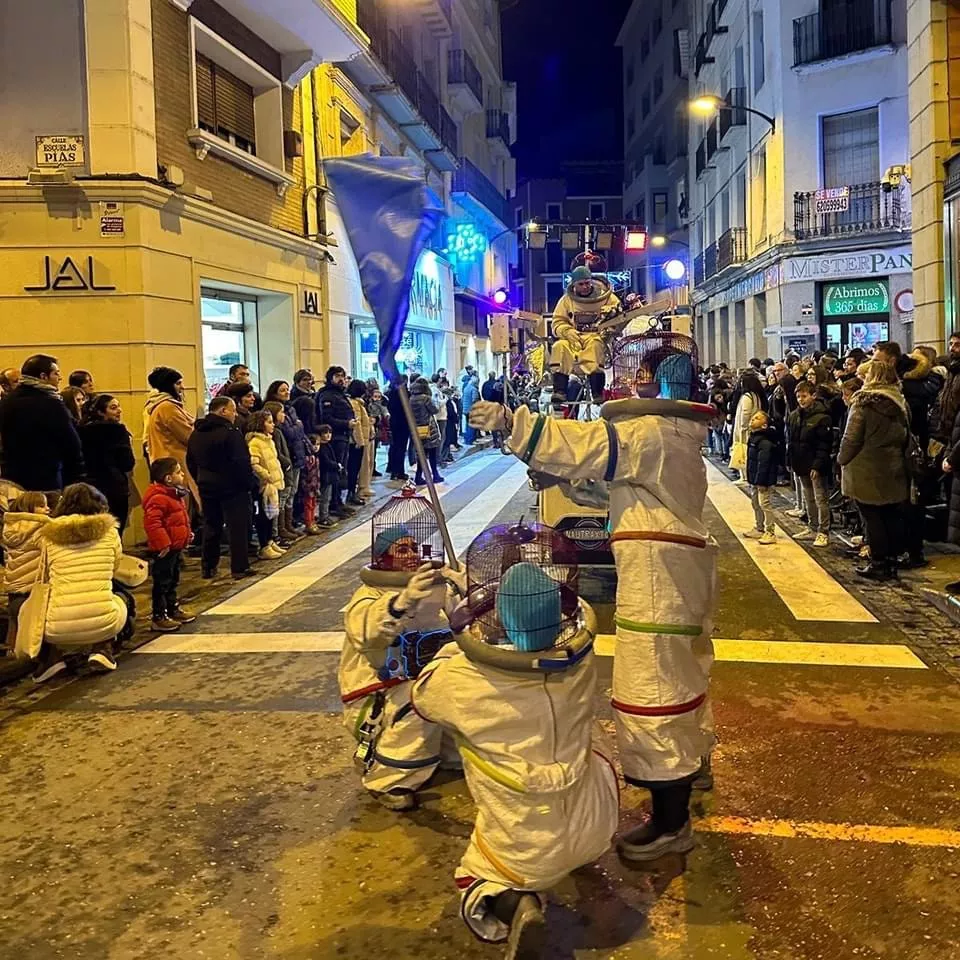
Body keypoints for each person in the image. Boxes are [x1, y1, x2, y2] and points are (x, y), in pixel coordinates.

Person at [469, 334, 717, 861]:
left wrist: (514, 424)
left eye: (641, 374)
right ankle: (692, 769)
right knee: (685, 674)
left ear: (655, 383)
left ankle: (671, 821)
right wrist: (564, 480)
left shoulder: (650, 432)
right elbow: (617, 488)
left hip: (658, 584)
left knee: (652, 691)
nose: (632, 382)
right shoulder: (675, 435)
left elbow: (583, 445)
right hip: (680, 572)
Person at [411, 551, 619, 956]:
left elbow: (424, 695)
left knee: (477, 880)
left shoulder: (464, 681)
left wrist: (459, 619)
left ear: (496, 619)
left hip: (525, 841)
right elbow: (534, 630)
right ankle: (564, 867)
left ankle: (517, 905)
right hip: (598, 826)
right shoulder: (578, 664)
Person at [341, 526, 459, 812]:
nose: (412, 555)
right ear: (384, 558)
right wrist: (401, 603)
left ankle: (445, 753)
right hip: (382, 690)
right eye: (402, 550)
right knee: (419, 700)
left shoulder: (433, 587)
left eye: (414, 548)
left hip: (429, 674)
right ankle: (390, 778)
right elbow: (368, 633)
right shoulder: (368, 595)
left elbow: (461, 622)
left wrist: (465, 585)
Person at [33, 483, 129, 681]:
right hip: (104, 621)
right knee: (120, 599)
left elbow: (45, 572)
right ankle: (103, 649)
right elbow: (114, 567)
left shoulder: (48, 535)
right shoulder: (109, 532)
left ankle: (52, 659)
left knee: (35, 608)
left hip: (55, 629)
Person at [838, 360, 910, 581]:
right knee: (889, 515)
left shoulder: (863, 403)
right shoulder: (899, 401)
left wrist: (842, 459)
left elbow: (851, 438)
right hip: (892, 465)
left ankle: (878, 562)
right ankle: (890, 561)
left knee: (872, 517)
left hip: (866, 467)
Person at [186, 396, 256, 581]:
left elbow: (190, 461)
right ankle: (239, 567)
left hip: (207, 484)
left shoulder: (197, 433)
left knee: (211, 524)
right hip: (232, 486)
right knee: (237, 526)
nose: (234, 415)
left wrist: (200, 478)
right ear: (223, 411)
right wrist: (248, 484)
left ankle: (208, 567)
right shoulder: (230, 433)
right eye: (232, 410)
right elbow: (241, 461)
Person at [0, 354, 84, 492]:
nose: (60, 378)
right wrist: (79, 475)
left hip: (12, 478)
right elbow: (71, 443)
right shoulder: (51, 404)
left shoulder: (7, 402)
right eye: (56, 374)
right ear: (43, 376)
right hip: (45, 478)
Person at [549, 264, 621, 405]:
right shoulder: (566, 301)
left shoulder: (607, 298)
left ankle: (597, 392)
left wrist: (609, 330)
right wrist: (567, 331)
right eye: (581, 284)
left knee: (594, 347)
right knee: (559, 346)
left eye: (587, 283)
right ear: (574, 284)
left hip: (595, 336)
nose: (585, 287)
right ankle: (559, 391)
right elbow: (557, 322)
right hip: (573, 337)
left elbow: (618, 317)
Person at [142, 457, 196, 632]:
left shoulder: (173, 494)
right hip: (165, 549)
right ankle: (159, 616)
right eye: (179, 472)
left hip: (175, 546)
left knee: (173, 579)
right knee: (162, 581)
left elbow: (179, 520)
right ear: (168, 478)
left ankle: (172, 608)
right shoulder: (158, 497)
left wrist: (187, 534)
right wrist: (163, 544)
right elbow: (153, 524)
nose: (182, 475)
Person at [79, 394, 136, 534]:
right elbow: (127, 463)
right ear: (100, 411)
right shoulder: (118, 431)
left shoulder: (82, 430)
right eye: (113, 407)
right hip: (114, 485)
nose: (119, 410)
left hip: (89, 486)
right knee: (115, 530)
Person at [2, 491, 51, 655]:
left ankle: (13, 646)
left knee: (16, 616)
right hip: (33, 582)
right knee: (34, 619)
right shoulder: (41, 528)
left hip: (15, 582)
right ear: (29, 508)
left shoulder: (10, 529)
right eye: (41, 506)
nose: (48, 509)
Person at [143, 366, 198, 506]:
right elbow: (188, 435)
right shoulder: (167, 407)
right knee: (178, 507)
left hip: (168, 461)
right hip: (174, 463)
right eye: (178, 383)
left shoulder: (161, 405)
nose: (182, 387)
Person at [787, 381, 833, 548]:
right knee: (809, 498)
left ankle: (823, 531)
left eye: (804, 396)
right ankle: (812, 527)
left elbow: (824, 445)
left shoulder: (823, 417)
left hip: (815, 463)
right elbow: (791, 440)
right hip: (800, 462)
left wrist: (817, 465)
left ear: (813, 396)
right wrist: (790, 460)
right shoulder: (794, 415)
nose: (801, 399)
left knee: (821, 499)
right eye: (798, 396)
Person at [266, 381, 310, 531]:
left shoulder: (290, 408)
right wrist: (297, 425)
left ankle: (287, 525)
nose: (287, 392)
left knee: (292, 492)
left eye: (287, 389)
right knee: (282, 496)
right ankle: (278, 530)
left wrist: (297, 426)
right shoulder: (276, 427)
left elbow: (298, 432)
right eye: (282, 390)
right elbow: (291, 433)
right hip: (286, 462)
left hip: (295, 457)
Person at [246, 410, 286, 561]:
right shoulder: (255, 442)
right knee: (263, 516)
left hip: (272, 485)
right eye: (269, 422)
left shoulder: (268, 440)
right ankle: (264, 545)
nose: (273, 424)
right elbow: (254, 463)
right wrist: (266, 476)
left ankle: (270, 541)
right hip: (263, 486)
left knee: (271, 514)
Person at [262, 400, 303, 546]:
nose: (283, 415)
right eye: (280, 412)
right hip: (279, 472)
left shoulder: (278, 431)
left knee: (286, 498)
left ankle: (285, 526)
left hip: (287, 468)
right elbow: (277, 453)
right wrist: (286, 464)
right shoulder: (274, 434)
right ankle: (276, 532)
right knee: (277, 502)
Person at [316, 366, 357, 513]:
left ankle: (338, 500)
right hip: (334, 438)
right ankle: (333, 503)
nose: (341, 379)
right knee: (335, 470)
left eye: (343, 376)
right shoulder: (327, 395)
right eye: (338, 376)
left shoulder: (340, 394)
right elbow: (327, 418)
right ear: (330, 378)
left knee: (341, 470)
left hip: (343, 436)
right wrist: (346, 423)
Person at [743, 411, 780, 545]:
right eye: (753, 418)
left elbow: (764, 463)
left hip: (764, 480)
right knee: (755, 503)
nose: (752, 420)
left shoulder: (765, 442)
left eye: (757, 418)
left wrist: (761, 481)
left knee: (765, 504)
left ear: (764, 425)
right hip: (755, 479)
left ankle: (770, 531)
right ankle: (759, 527)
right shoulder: (753, 438)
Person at [729, 370, 766, 476]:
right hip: (752, 427)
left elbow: (745, 413)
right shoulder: (756, 396)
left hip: (745, 430)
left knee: (743, 452)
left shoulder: (747, 397)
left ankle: (744, 475)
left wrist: (742, 427)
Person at [409, 377, 444, 486]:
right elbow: (434, 410)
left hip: (416, 428)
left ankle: (418, 476)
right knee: (432, 452)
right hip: (428, 428)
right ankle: (435, 474)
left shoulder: (411, 399)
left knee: (421, 453)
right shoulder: (426, 398)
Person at [346, 379, 372, 505]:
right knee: (354, 468)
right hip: (357, 442)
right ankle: (352, 493)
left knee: (357, 467)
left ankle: (356, 491)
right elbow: (357, 424)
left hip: (361, 440)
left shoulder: (359, 403)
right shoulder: (355, 404)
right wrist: (360, 441)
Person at [315, 425, 342, 526]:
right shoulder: (322, 448)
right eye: (325, 433)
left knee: (328, 497)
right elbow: (326, 461)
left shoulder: (328, 445)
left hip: (330, 476)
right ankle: (323, 517)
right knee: (324, 498)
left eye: (329, 433)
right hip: (325, 476)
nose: (328, 435)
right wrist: (336, 465)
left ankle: (325, 515)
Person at [462, 374, 481, 444]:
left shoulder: (466, 388)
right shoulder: (474, 389)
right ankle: (471, 440)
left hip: (465, 409)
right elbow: (474, 400)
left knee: (468, 424)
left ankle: (467, 439)